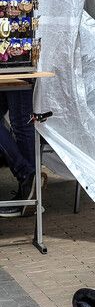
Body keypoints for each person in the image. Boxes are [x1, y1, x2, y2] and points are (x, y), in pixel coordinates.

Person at [0, 89, 37, 218]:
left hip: (17, 72)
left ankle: (28, 179)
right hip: (11, 72)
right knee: (22, 124)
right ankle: (28, 185)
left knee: (21, 123)